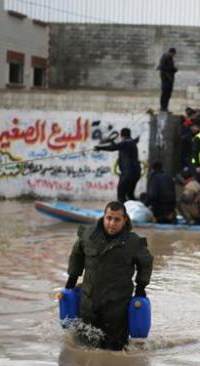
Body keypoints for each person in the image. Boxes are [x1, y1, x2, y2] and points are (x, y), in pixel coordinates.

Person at [65, 201, 153, 351]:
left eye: (117, 219)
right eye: (109, 218)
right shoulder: (88, 235)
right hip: (88, 306)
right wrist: (72, 278)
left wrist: (141, 287)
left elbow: (146, 262)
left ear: (125, 220)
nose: (111, 223)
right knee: (83, 352)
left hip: (117, 311)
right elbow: (76, 254)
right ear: (103, 217)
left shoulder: (133, 243)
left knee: (115, 353)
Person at [95, 128, 141, 203]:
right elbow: (117, 146)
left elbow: (113, 148)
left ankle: (122, 211)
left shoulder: (126, 142)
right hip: (136, 173)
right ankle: (132, 211)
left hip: (127, 173)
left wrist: (100, 148)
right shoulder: (132, 142)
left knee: (121, 196)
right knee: (130, 195)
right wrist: (112, 142)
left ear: (121, 135)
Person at [157, 48, 177, 112]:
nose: (173, 55)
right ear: (171, 52)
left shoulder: (170, 59)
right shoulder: (165, 57)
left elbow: (170, 68)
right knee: (165, 94)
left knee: (168, 94)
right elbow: (162, 68)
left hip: (170, 80)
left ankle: (165, 107)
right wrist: (168, 77)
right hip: (166, 80)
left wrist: (174, 69)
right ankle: (163, 107)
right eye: (173, 54)